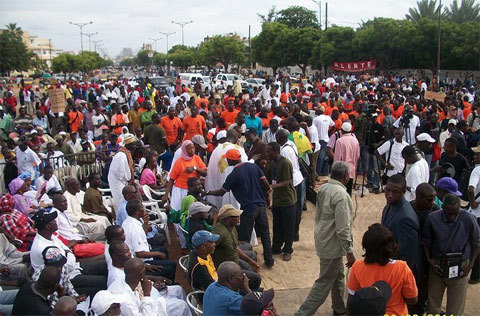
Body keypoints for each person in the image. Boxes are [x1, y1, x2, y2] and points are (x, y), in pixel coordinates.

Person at [294, 162, 355, 316]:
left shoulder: (324, 188)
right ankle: (302, 313)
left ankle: (340, 308)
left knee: (338, 276)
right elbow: (343, 228)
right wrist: (349, 251)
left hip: (324, 239)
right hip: (332, 244)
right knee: (324, 282)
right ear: (346, 176)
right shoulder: (341, 195)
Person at [206, 148, 274, 266]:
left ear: (229, 160)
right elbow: (265, 183)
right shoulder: (254, 167)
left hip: (248, 208)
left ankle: (247, 264)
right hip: (261, 205)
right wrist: (268, 196)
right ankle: (269, 260)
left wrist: (208, 192)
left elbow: (221, 192)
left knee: (244, 238)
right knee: (265, 234)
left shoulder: (234, 175)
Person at [422, 193, 480, 316]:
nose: (453, 217)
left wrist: (470, 266)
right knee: (433, 306)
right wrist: (429, 260)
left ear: (460, 208)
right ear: (443, 208)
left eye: (456, 213)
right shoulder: (432, 218)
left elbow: (477, 243)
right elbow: (426, 241)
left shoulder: (469, 218)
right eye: (449, 213)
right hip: (437, 267)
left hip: (460, 267)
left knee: (455, 309)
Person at [30, 209, 108, 297]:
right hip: (67, 278)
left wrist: (67, 253)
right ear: (48, 226)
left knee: (106, 265)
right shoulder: (44, 248)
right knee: (103, 282)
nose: (56, 222)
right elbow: (68, 266)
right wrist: (68, 253)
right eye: (53, 221)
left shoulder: (51, 236)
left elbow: (67, 251)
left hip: (75, 267)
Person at [347, 224, 418, 316]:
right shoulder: (402, 268)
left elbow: (352, 299)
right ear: (390, 247)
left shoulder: (357, 266)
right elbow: (412, 299)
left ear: (366, 247)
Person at [381, 174, 423, 284]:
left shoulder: (405, 217)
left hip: (398, 272)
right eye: (388, 190)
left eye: (395, 192)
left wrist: (397, 275)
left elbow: (407, 253)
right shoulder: (389, 207)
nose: (390, 195)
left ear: (403, 192)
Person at [122, 199, 176, 282]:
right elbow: (140, 253)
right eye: (142, 208)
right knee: (171, 265)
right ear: (136, 212)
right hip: (140, 260)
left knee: (163, 250)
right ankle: (167, 282)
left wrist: (146, 223)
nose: (144, 209)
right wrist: (159, 254)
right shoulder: (135, 228)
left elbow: (142, 235)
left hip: (142, 251)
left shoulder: (128, 221)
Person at [211, 204, 261, 289]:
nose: (238, 218)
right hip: (228, 270)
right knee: (256, 278)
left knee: (251, 268)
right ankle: (248, 296)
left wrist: (250, 261)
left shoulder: (232, 228)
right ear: (227, 219)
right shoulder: (219, 233)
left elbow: (236, 247)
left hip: (235, 261)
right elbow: (208, 249)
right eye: (235, 216)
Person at [265, 142, 297, 261]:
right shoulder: (272, 163)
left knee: (288, 227)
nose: (267, 153)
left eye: (269, 151)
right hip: (277, 200)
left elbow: (287, 182)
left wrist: (272, 187)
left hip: (288, 201)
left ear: (275, 151)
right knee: (277, 226)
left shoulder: (285, 163)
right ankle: (276, 247)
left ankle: (288, 250)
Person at [163, 140, 207, 211]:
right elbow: (171, 179)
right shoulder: (179, 162)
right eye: (189, 149)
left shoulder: (196, 158)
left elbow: (205, 172)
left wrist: (195, 168)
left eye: (193, 148)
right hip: (181, 190)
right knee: (179, 210)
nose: (192, 151)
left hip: (194, 190)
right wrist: (166, 194)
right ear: (184, 150)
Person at [108, 134, 139, 210]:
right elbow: (120, 174)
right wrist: (129, 180)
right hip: (119, 183)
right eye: (134, 145)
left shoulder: (125, 153)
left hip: (123, 183)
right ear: (129, 145)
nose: (135, 147)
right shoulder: (121, 156)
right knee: (122, 205)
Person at [332, 122, 360, 195]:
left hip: (341, 171)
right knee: (349, 191)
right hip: (351, 169)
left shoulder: (340, 141)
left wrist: (334, 171)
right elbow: (357, 155)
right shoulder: (355, 140)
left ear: (342, 130)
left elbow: (337, 158)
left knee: (340, 192)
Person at [468, 145, 480, 284]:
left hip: (476, 214)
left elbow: (471, 189)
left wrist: (472, 203)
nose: (474, 156)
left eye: (477, 155)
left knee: (474, 244)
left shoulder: (477, 170)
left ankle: (474, 274)